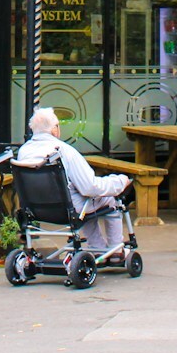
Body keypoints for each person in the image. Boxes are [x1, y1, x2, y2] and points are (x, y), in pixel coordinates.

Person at [16, 107, 131, 252]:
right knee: (109, 200)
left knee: (86, 202)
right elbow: (90, 187)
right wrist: (120, 182)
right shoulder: (64, 151)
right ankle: (116, 250)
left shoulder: (24, 151)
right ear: (54, 129)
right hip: (68, 209)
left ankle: (97, 247)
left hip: (36, 210)